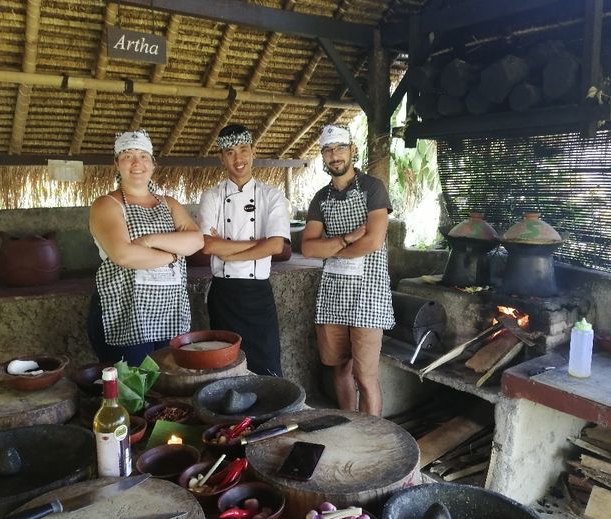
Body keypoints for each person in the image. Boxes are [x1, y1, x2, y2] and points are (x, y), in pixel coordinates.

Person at [87, 129, 204, 366]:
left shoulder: (169, 203)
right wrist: (173, 254)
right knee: (132, 392)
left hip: (168, 313)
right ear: (117, 163)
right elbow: (124, 255)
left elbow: (196, 241)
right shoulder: (106, 205)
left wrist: (150, 241)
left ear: (152, 164)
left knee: (168, 389)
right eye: (128, 155)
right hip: (124, 312)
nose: (136, 163)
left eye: (143, 156)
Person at [301, 123, 395, 416]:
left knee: (365, 376)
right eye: (328, 150)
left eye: (340, 148)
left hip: (369, 293)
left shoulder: (372, 188)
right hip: (333, 294)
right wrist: (345, 238)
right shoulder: (320, 198)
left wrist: (332, 249)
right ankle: (350, 424)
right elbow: (308, 248)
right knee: (339, 368)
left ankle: (373, 433)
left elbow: (373, 241)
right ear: (323, 156)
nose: (334, 156)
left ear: (353, 151)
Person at [197, 124, 290, 376]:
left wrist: (227, 251)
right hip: (224, 294)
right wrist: (258, 244)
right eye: (230, 152)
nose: (238, 158)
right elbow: (208, 245)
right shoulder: (212, 196)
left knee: (267, 364)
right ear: (221, 157)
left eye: (243, 150)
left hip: (258, 293)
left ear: (253, 152)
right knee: (227, 367)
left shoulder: (272, 196)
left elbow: (276, 245)